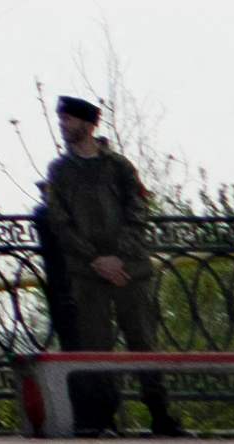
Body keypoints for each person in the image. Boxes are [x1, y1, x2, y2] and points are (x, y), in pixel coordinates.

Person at [40, 97, 179, 436]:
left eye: (69, 120)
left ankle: (161, 415)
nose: (63, 126)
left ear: (88, 125)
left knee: (143, 342)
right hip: (88, 274)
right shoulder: (59, 171)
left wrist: (119, 255)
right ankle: (104, 419)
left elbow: (138, 212)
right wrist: (96, 260)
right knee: (96, 347)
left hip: (130, 269)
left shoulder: (119, 167)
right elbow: (60, 223)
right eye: (61, 120)